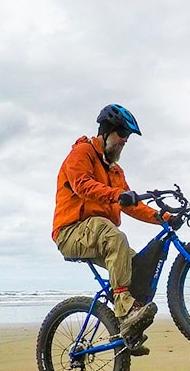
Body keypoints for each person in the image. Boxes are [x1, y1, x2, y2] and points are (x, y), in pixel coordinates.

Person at [51, 104, 166, 355]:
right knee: (113, 235)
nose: (125, 141)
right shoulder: (81, 153)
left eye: (127, 138)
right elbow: (83, 186)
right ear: (105, 132)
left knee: (136, 265)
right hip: (70, 231)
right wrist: (118, 195)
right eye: (122, 135)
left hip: (96, 234)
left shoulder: (115, 171)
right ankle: (125, 311)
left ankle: (128, 332)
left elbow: (131, 205)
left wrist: (162, 217)